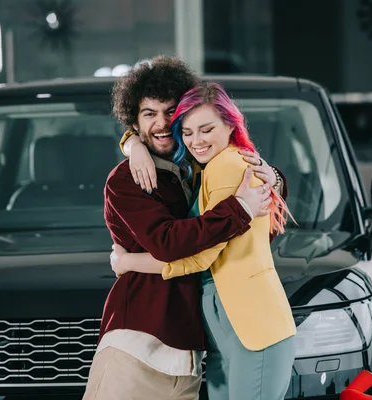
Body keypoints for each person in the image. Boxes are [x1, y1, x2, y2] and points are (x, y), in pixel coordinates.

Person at [82, 56, 286, 400]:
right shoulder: (127, 179)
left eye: (170, 112)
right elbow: (168, 242)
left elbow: (245, 175)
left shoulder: (196, 163)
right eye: (149, 114)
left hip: (188, 349)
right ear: (133, 120)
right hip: (138, 341)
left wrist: (274, 178)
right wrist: (239, 209)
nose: (161, 124)